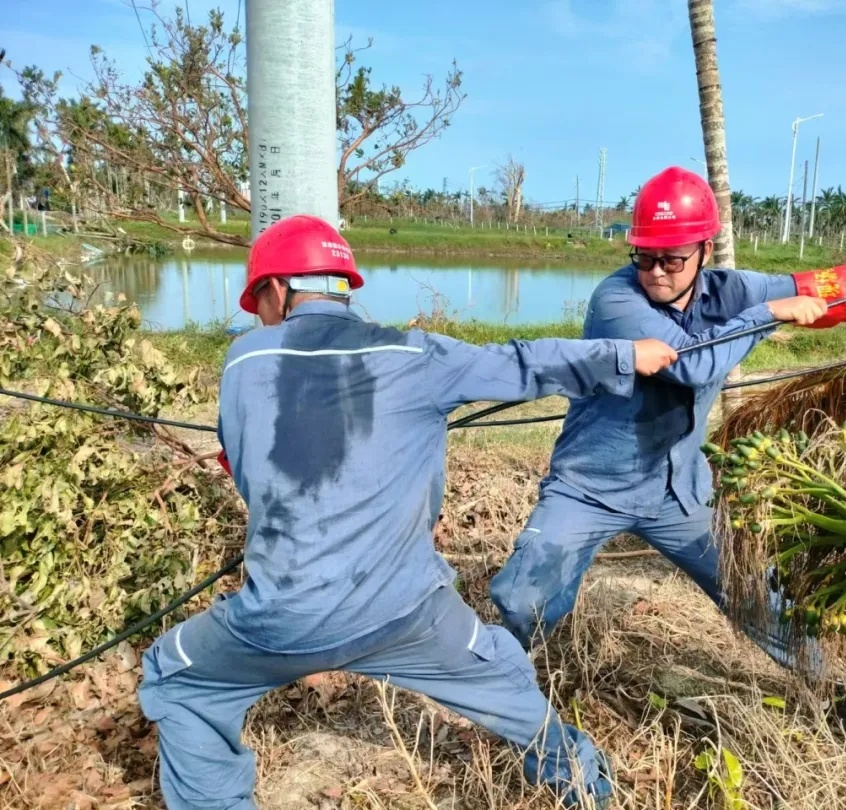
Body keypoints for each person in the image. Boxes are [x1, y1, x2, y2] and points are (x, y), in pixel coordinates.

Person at [136, 213, 681, 809]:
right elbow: (526, 363)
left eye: (257, 302)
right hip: (406, 611)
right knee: (502, 673)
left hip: (279, 617)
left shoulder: (242, 360)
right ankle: (587, 790)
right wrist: (626, 355)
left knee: (174, 676)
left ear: (274, 290)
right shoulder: (417, 353)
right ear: (344, 286)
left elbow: (245, 470)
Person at [488, 166, 846, 738]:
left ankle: (829, 692)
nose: (655, 272)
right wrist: (769, 316)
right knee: (522, 594)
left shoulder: (731, 291)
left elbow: (837, 283)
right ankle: (501, 686)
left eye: (672, 259)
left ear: (704, 250)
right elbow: (689, 362)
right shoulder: (616, 300)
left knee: (757, 596)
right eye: (644, 257)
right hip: (590, 486)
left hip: (677, 490)